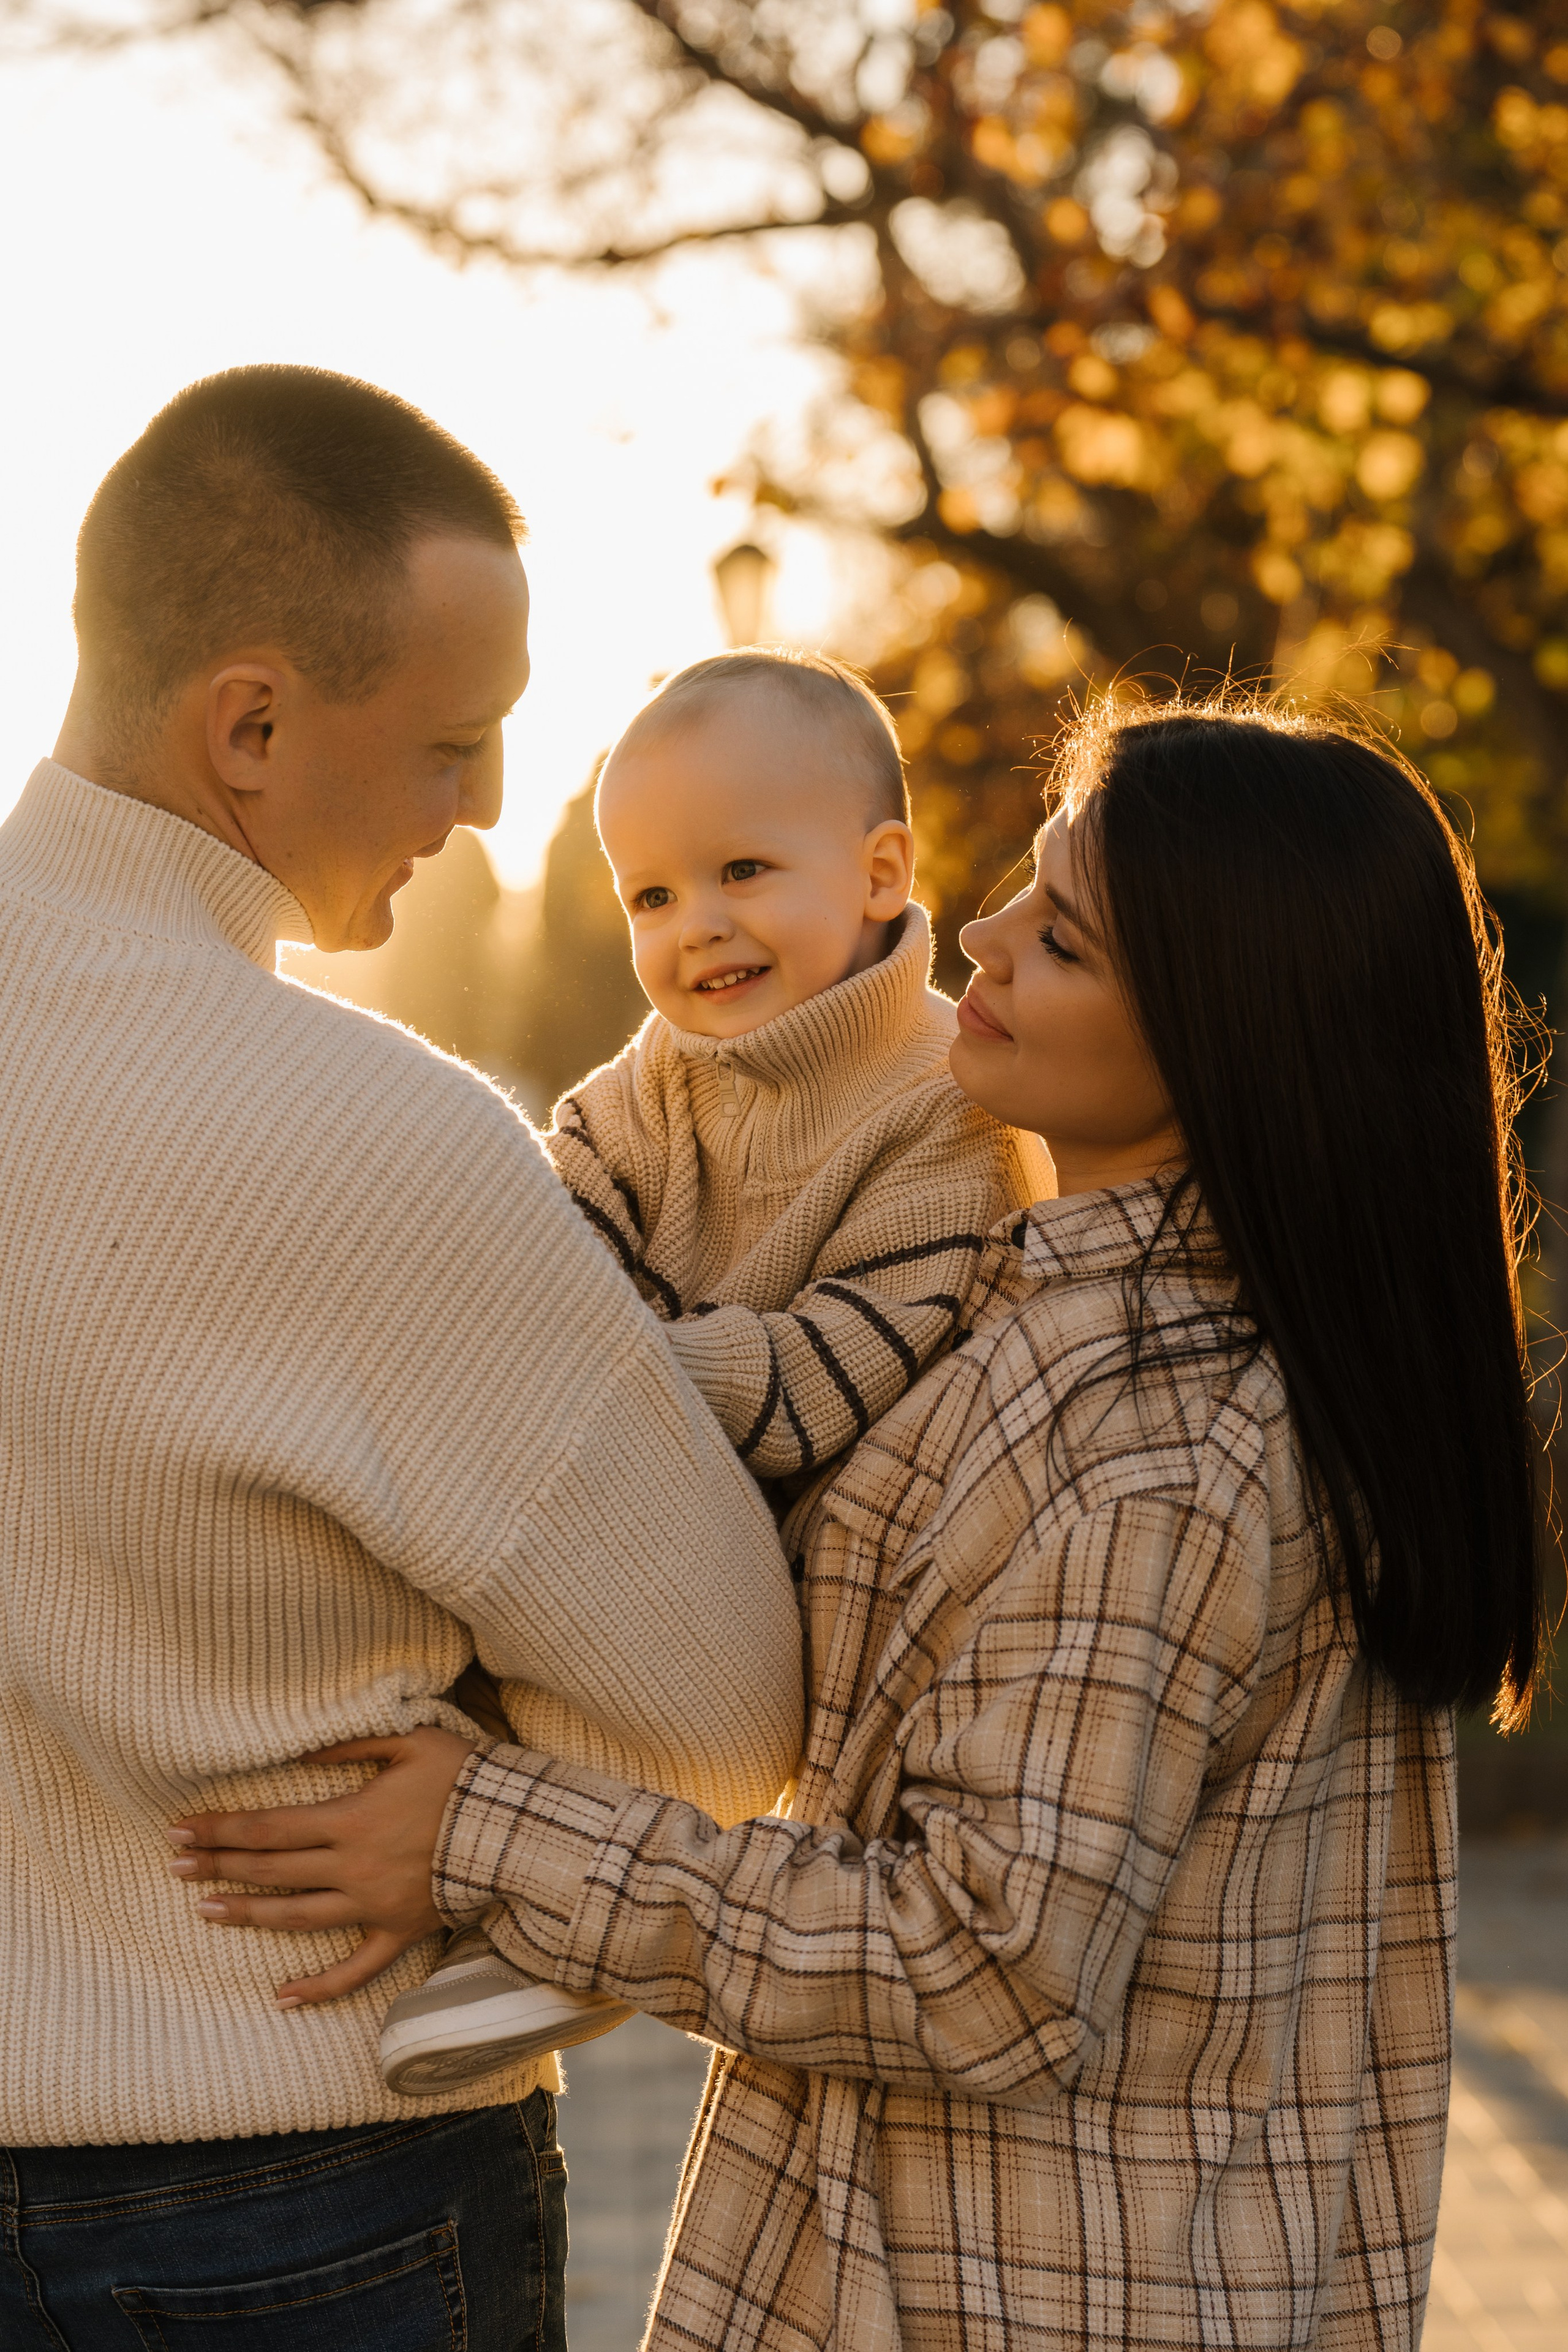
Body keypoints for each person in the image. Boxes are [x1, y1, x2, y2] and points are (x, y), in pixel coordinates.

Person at [168, 700, 1546, 2350]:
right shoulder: (1043, 1312)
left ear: (1230, 1028)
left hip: (1043, 2291)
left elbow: (985, 1965)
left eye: (1065, 937)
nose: (979, 936)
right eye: (1023, 893)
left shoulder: (1171, 1450)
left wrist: (491, 1833)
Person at [0, 364, 802, 2350]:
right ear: (251, 724)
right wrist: (486, 1832)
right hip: (289, 2215)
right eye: (459, 741)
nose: (496, 811)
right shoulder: (371, 1143)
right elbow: (720, 1712)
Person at [380, 649, 1053, 2091]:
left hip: (812, 1557)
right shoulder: (644, 1085)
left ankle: (570, 1921)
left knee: (616, 1583)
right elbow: (542, 1250)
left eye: (743, 869)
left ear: (881, 872)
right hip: (655, 1488)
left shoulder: (948, 1115)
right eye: (652, 895)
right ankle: (454, 1837)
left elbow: (836, 1373)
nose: (699, 928)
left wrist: (599, 1375)